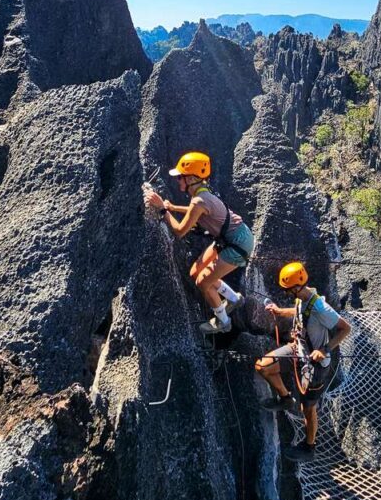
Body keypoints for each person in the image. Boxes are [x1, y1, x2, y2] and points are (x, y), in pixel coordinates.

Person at [143, 151, 254, 334]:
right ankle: (234, 299)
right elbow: (197, 210)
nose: (178, 180)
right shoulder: (202, 194)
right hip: (231, 238)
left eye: (180, 177)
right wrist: (173, 207)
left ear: (192, 178)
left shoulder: (200, 200)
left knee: (203, 283)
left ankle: (223, 322)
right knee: (196, 272)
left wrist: (163, 209)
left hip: (238, 244)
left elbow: (179, 231)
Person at [255, 261, 351, 462]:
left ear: (297, 287)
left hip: (315, 365)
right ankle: (285, 398)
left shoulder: (320, 306)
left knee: (307, 408)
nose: (288, 293)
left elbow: (345, 328)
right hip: (297, 350)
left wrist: (324, 350)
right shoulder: (302, 298)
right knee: (263, 366)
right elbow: (300, 312)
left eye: (289, 290)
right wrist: (281, 311)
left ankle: (309, 447)